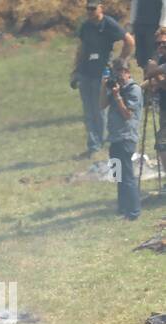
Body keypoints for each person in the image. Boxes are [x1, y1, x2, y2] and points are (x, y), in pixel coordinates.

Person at [72, 3, 135, 156]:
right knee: (88, 110)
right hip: (85, 71)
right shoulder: (86, 26)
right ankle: (93, 144)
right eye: (88, 8)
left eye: (93, 8)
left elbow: (129, 41)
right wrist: (75, 70)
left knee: (99, 108)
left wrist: (120, 61)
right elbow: (81, 48)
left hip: (102, 71)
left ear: (101, 8)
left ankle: (100, 143)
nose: (90, 11)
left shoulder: (109, 24)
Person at [103, 58, 145, 219]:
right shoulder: (116, 87)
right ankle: (123, 208)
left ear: (127, 72)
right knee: (118, 175)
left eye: (120, 73)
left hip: (126, 137)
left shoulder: (133, 89)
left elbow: (127, 114)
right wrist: (105, 86)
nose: (118, 77)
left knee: (127, 176)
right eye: (116, 73)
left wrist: (118, 96)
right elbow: (101, 105)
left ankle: (134, 212)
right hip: (114, 137)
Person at [129, 0, 166, 70]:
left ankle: (153, 74)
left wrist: (162, 25)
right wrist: (132, 22)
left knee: (151, 53)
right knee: (140, 53)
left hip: (154, 26)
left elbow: (165, 5)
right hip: (139, 24)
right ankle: (144, 73)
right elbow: (134, 3)